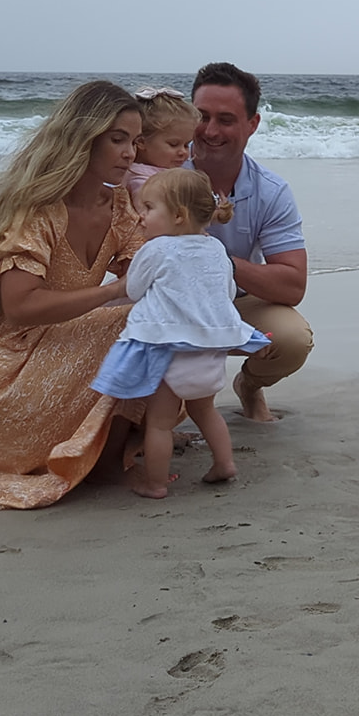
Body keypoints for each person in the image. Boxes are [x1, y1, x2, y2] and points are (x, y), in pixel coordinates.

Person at [0, 80, 146, 509]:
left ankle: (117, 445)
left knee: (157, 313)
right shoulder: (38, 209)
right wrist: (115, 290)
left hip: (53, 358)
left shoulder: (119, 206)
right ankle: (105, 464)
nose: (130, 153)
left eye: (137, 142)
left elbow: (147, 273)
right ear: (82, 138)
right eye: (117, 139)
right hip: (2, 385)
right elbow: (20, 306)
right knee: (136, 319)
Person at [91, 168, 271, 499]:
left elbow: (133, 288)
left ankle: (155, 483)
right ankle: (225, 463)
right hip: (210, 348)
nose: (141, 217)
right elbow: (228, 291)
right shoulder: (216, 248)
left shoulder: (155, 250)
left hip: (170, 350)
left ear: (177, 215)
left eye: (148, 208)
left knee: (160, 423)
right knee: (206, 411)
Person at [187, 62, 314, 422]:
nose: (210, 131)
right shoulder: (160, 174)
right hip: (165, 303)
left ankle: (250, 385)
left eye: (225, 119)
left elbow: (292, 285)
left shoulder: (270, 192)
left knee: (292, 339)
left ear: (252, 124)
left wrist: (219, 258)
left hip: (235, 303)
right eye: (201, 116)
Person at [125, 86, 197, 198]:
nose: (183, 152)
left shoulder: (163, 174)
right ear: (141, 142)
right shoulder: (142, 182)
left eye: (186, 145)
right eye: (173, 144)